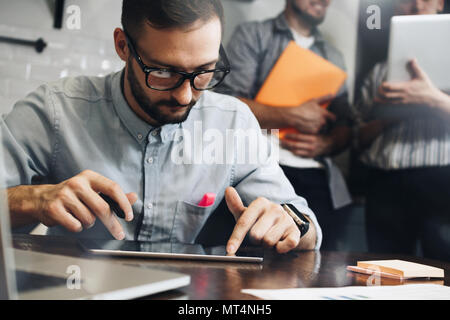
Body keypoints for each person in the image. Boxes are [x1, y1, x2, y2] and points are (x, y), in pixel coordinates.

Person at [0, 0, 323, 255]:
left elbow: (303, 223)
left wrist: (291, 225)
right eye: (164, 72)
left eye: (204, 72)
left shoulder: (233, 124)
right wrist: (33, 200)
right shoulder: (57, 111)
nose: (185, 95)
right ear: (123, 46)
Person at [215, 0, 353, 250]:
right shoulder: (253, 35)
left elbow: (346, 126)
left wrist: (327, 143)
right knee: (254, 257)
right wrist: (291, 115)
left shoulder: (335, 57)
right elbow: (225, 105)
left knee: (320, 261)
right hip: (261, 168)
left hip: (318, 177)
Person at [355, 0, 450, 261]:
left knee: (444, 267)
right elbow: (357, 138)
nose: (418, 5)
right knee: (384, 268)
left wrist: (433, 99)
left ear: (440, 4)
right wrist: (387, 116)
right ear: (397, 7)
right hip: (384, 183)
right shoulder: (378, 73)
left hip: (441, 179)